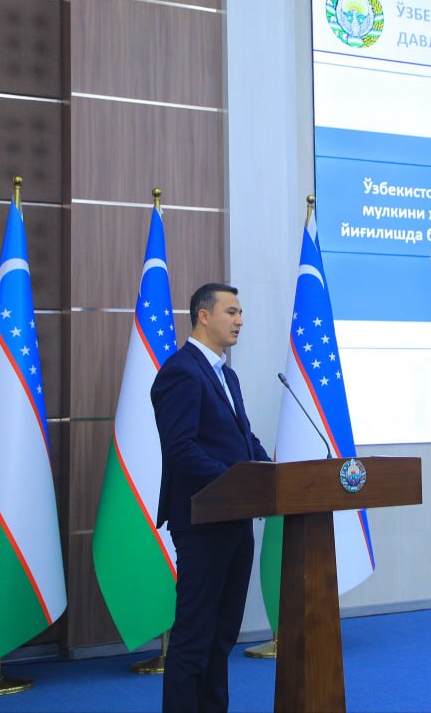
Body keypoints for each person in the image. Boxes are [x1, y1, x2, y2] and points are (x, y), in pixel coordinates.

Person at [152, 282, 271, 713]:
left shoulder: (226, 374)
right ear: (204, 316)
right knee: (194, 636)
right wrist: (236, 483)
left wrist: (271, 473)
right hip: (202, 523)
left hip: (235, 520)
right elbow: (180, 448)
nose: (240, 321)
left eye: (241, 313)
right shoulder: (181, 371)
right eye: (231, 312)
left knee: (222, 637)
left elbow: (244, 439)